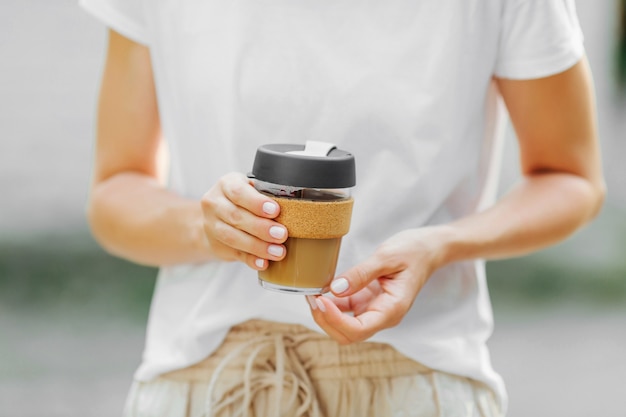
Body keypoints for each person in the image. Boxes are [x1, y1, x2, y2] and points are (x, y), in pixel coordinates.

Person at [80, 0, 605, 416]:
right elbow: (115, 192)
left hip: (416, 380)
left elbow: (571, 177)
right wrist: (205, 227)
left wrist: (439, 244)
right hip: (205, 382)